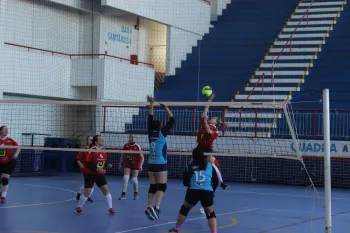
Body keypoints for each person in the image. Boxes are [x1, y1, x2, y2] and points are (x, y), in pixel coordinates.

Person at [168, 148, 219, 233]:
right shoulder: (210, 166)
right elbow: (216, 181)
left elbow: (185, 182)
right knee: (210, 213)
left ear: (193, 156)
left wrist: (192, 184)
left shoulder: (189, 167)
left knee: (184, 209)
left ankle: (176, 229)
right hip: (207, 191)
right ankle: (214, 232)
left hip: (193, 191)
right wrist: (212, 191)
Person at [195, 93, 227, 214]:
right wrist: (209, 100)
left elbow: (208, 131)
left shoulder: (215, 130)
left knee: (211, 170)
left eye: (213, 118)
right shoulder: (206, 123)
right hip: (198, 149)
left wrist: (206, 123)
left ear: (216, 122)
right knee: (193, 170)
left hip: (207, 151)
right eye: (211, 117)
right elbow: (204, 112)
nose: (211, 118)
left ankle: (221, 183)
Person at [145, 95, 175, 221]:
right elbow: (172, 120)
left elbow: (149, 118)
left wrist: (151, 104)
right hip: (161, 163)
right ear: (161, 126)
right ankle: (156, 207)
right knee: (162, 186)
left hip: (150, 164)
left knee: (152, 186)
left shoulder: (150, 132)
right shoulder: (163, 133)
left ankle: (149, 207)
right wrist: (166, 108)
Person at [75, 135, 115, 215]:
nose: (102, 140)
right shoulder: (91, 150)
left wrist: (107, 165)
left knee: (106, 190)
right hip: (90, 174)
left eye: (102, 139)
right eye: (100, 139)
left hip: (99, 174)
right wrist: (96, 169)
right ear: (96, 141)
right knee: (87, 193)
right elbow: (87, 162)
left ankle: (110, 208)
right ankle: (79, 206)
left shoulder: (104, 150)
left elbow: (103, 162)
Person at [118, 134, 144, 200]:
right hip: (128, 164)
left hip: (136, 164)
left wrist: (141, 165)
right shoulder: (126, 146)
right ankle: (123, 194)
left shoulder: (137, 146)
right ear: (129, 138)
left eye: (133, 137)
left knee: (134, 179)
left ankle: (136, 193)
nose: (132, 138)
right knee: (125, 178)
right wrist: (120, 163)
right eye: (131, 137)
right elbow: (122, 155)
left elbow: (142, 157)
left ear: (135, 139)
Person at [0, 126, 20, 204]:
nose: (6, 130)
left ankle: (3, 197)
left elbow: (19, 147)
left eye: (7, 130)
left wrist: (16, 154)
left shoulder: (10, 140)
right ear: (0, 131)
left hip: (9, 162)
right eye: (4, 129)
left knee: (5, 179)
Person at [76, 135, 94, 203]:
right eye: (90, 140)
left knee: (89, 183)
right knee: (91, 182)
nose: (91, 141)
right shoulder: (85, 149)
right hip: (86, 169)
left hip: (93, 168)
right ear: (87, 141)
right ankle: (87, 196)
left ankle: (80, 193)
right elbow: (77, 159)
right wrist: (81, 164)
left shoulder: (95, 149)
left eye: (92, 140)